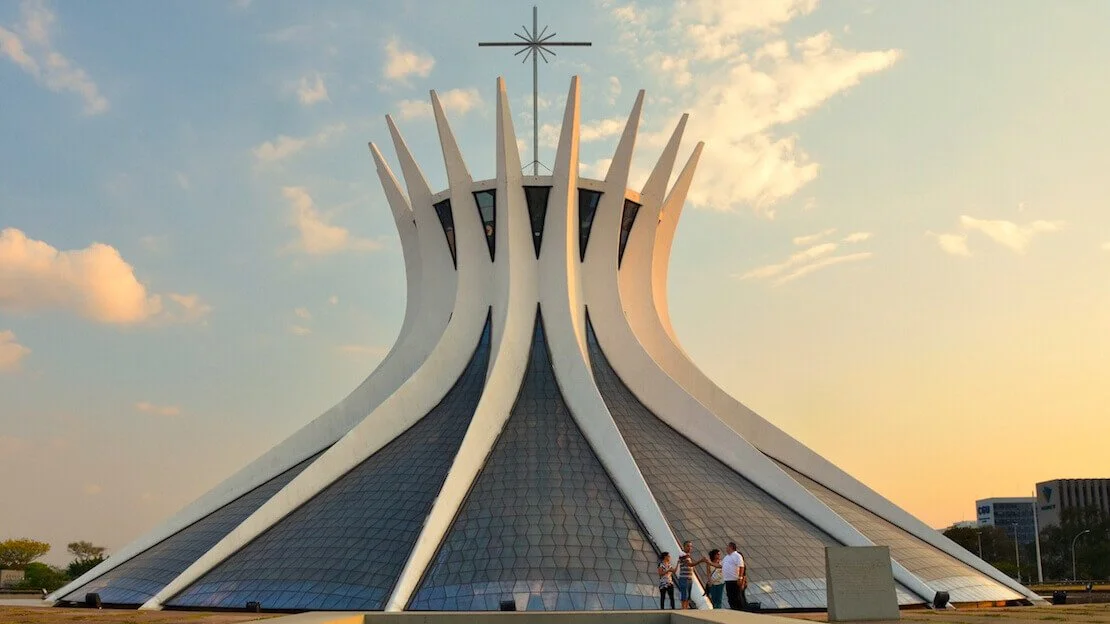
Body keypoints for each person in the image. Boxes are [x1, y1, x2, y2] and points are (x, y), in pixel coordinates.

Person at [676, 540, 708, 609]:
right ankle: (683, 609)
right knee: (684, 595)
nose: (690, 548)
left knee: (688, 596)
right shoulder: (683, 555)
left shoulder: (687, 556)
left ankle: (685, 608)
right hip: (684, 578)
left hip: (689, 578)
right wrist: (701, 561)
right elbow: (690, 564)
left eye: (690, 546)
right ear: (684, 547)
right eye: (688, 546)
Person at [721, 541, 747, 610]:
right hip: (727, 580)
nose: (726, 548)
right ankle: (734, 610)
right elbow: (720, 565)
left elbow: (741, 567)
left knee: (737, 597)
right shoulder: (726, 557)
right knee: (730, 597)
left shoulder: (737, 556)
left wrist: (740, 578)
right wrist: (709, 562)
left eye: (727, 547)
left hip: (735, 580)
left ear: (731, 547)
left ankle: (741, 611)